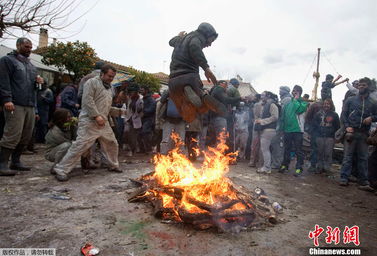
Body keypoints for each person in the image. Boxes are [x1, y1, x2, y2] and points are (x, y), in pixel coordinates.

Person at [52, 64, 124, 181]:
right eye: (109, 76)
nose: (111, 79)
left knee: (112, 143)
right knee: (80, 146)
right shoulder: (91, 83)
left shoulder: (110, 88)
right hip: (89, 121)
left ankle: (113, 165)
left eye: (113, 77)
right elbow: (87, 101)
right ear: (102, 74)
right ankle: (61, 169)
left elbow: (105, 107)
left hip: (103, 122)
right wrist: (96, 116)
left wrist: (120, 112)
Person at [0, 37, 44, 176]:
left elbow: (37, 88)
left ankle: (16, 161)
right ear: (18, 45)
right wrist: (7, 99)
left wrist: (41, 82)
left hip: (30, 104)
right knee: (12, 133)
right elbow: (3, 81)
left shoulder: (31, 65)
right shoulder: (7, 61)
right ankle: (2, 164)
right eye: (26, 47)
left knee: (26, 134)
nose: (29, 50)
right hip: (15, 103)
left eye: (31, 47)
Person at [168, 23, 225, 123]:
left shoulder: (180, 39)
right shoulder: (196, 38)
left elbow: (171, 42)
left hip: (173, 80)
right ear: (205, 35)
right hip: (189, 77)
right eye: (210, 40)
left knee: (181, 107)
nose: (209, 44)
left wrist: (179, 36)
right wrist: (206, 69)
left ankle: (191, 98)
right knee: (201, 106)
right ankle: (201, 95)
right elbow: (194, 47)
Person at [339, 77, 377, 191]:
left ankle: (363, 181)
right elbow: (343, 115)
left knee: (363, 158)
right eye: (360, 85)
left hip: (364, 133)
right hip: (351, 132)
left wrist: (372, 117)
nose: (361, 87)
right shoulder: (350, 100)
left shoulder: (373, 102)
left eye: (363, 85)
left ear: (368, 87)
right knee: (347, 157)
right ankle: (344, 178)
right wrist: (347, 126)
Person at [279, 85, 308, 176]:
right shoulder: (288, 104)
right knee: (287, 149)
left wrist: (296, 99)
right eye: (293, 91)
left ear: (299, 92)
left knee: (298, 150)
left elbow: (299, 110)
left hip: (298, 130)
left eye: (296, 91)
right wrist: (281, 128)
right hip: (287, 130)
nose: (294, 92)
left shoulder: (303, 103)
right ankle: (285, 165)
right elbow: (283, 116)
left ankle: (299, 168)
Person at [209, 80, 241, 146]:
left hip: (216, 116)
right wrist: (239, 98)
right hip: (219, 117)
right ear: (220, 84)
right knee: (221, 138)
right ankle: (220, 155)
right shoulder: (218, 89)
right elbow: (226, 99)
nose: (227, 85)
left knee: (217, 138)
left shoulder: (215, 90)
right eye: (225, 83)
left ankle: (216, 154)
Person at [312, 98, 340, 174]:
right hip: (319, 136)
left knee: (328, 153)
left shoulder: (334, 115)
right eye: (325, 103)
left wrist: (336, 137)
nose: (326, 105)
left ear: (331, 105)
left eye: (328, 104)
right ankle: (319, 167)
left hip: (330, 137)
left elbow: (337, 126)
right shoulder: (318, 114)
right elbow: (314, 125)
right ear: (323, 105)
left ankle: (327, 168)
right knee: (319, 153)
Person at [254, 91, 279, 173]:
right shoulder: (267, 105)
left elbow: (275, 117)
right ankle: (266, 166)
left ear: (268, 96)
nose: (261, 97)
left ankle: (267, 167)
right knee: (266, 149)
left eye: (263, 95)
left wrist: (262, 121)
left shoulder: (272, 105)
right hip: (267, 130)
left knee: (265, 149)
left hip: (269, 130)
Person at [271, 86, 291, 169]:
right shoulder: (284, 99)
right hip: (280, 126)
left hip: (282, 127)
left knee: (279, 146)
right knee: (276, 145)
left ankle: (277, 163)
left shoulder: (287, 100)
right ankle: (277, 162)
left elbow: (284, 114)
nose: (279, 92)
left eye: (281, 90)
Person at [140, 85, 156, 154]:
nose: (141, 91)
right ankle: (144, 149)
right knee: (141, 134)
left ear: (146, 91)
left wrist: (144, 111)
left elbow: (152, 109)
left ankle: (149, 149)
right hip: (144, 119)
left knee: (145, 132)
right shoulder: (143, 99)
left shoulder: (150, 99)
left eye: (142, 90)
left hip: (149, 119)